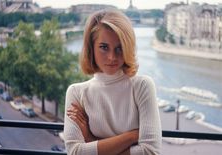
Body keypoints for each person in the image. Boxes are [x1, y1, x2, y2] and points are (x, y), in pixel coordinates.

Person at [64, 9, 161, 155]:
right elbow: (74, 152)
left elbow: (150, 151)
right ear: (91, 48)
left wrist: (91, 140)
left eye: (119, 48)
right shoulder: (76, 92)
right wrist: (131, 136)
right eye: (104, 47)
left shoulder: (142, 86)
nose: (112, 57)